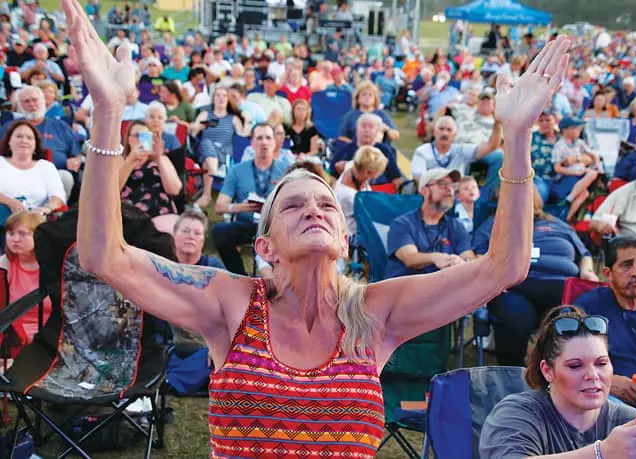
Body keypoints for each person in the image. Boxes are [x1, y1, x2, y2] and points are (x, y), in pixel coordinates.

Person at [66, 1, 567, 452]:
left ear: (344, 238)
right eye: (294, 205)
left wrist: (517, 135)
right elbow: (104, 255)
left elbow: (505, 266)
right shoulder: (230, 303)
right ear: (265, 244)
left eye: (326, 205)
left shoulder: (376, 314)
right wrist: (109, 112)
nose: (314, 210)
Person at [480, 305, 636, 459]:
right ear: (548, 371)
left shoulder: (629, 423)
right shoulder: (518, 414)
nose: (593, 375)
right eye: (575, 366)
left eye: (601, 363)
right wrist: (602, 453)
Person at [473, 188, 598, 365]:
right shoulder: (494, 223)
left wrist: (588, 271)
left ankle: (562, 372)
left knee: (572, 321)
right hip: (517, 287)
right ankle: (513, 375)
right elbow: (478, 253)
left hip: (561, 288)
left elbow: (584, 254)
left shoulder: (557, 224)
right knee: (514, 319)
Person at [574, 237, 636, 407]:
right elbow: (563, 358)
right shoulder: (587, 308)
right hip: (616, 400)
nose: (635, 273)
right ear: (608, 273)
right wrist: (608, 380)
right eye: (627, 265)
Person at [211, 123, 288, 275]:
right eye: (259, 138)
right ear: (252, 143)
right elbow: (219, 206)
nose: (264, 142)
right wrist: (240, 207)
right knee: (219, 231)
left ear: (275, 142)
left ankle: (282, 280)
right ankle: (240, 277)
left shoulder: (287, 169)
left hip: (277, 226)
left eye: (268, 138)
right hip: (247, 224)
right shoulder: (237, 170)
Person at [384, 167, 475, 279]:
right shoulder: (402, 224)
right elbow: (410, 258)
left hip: (445, 289)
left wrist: (463, 262)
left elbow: (468, 257)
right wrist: (435, 258)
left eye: (453, 186)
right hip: (408, 289)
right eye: (442, 184)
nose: (449, 189)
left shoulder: (456, 226)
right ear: (424, 190)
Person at [4, 86, 81, 199]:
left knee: (66, 177)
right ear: (20, 106)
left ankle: (58, 214)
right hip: (18, 173)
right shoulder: (9, 127)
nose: (31, 104)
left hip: (54, 174)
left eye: (35, 100)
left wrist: (76, 160)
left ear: (43, 101)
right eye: (26, 101)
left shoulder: (60, 126)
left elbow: (76, 154)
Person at [189, 84, 251, 208]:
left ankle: (206, 195)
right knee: (207, 143)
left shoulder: (233, 118)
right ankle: (216, 172)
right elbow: (193, 133)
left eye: (224, 95)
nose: (221, 98)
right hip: (206, 150)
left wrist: (247, 120)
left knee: (208, 161)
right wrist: (200, 126)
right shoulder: (205, 114)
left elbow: (243, 137)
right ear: (213, 99)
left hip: (224, 154)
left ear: (228, 99)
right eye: (218, 95)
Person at [0, 210, 52, 349]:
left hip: (49, 340)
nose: (15, 239)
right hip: (12, 340)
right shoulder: (3, 265)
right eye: (11, 233)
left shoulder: (54, 267)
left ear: (39, 236)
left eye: (22, 234)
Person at [119, 120, 182, 233]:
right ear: (128, 139)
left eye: (145, 136)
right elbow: (113, 188)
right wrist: (131, 159)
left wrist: (158, 158)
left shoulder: (162, 160)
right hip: (131, 215)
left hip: (162, 212)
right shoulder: (120, 161)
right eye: (137, 135)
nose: (141, 139)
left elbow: (174, 190)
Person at [0, 121, 66, 225]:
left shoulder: (46, 166)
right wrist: (10, 202)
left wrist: (44, 209)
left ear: (35, 145)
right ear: (9, 141)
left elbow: (58, 196)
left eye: (29, 138)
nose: (24, 140)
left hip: (36, 223)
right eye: (19, 136)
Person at [411, 115, 503, 183]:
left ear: (454, 135)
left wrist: (497, 123)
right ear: (434, 132)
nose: (445, 133)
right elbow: (419, 178)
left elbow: (492, 146)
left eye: (449, 130)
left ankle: (486, 197)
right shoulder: (422, 151)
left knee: (500, 155)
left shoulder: (461, 150)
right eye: (441, 129)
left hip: (456, 197)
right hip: (431, 195)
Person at [329, 113, 403, 186]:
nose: (367, 130)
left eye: (371, 127)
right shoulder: (345, 150)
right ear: (357, 129)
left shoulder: (385, 150)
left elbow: (396, 178)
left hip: (380, 193)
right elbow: (332, 176)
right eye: (363, 126)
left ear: (377, 131)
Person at [551, 117, 601, 221]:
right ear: (565, 130)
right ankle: (567, 217)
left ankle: (568, 208)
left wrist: (597, 166)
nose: (578, 130)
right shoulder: (559, 146)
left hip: (580, 174)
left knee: (593, 174)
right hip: (567, 176)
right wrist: (574, 172)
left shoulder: (579, 143)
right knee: (584, 193)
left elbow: (594, 155)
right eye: (575, 128)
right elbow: (557, 168)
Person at [333, 146, 387, 234]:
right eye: (378, 172)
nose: (379, 175)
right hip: (352, 237)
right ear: (368, 172)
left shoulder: (353, 167)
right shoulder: (351, 197)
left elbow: (338, 165)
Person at [531, 109, 559, 204]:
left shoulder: (562, 137)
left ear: (554, 120)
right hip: (537, 178)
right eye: (541, 120)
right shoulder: (531, 137)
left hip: (557, 178)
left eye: (548, 120)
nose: (544, 123)